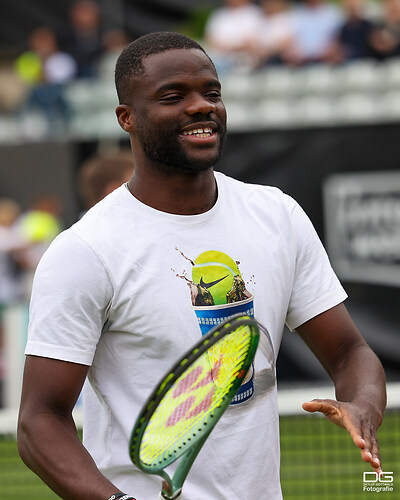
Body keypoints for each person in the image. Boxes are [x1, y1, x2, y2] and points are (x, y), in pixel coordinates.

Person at [17, 31, 386, 500]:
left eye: (211, 93)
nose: (201, 106)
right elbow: (39, 421)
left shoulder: (277, 215)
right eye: (174, 96)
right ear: (126, 118)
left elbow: (350, 352)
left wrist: (364, 406)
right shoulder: (85, 251)